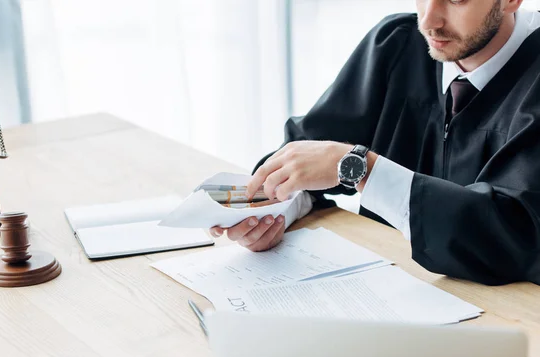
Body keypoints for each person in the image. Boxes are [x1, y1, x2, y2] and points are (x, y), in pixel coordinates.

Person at [210, 0, 540, 286]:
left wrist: (359, 168)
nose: (428, 21)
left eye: (456, 0)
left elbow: (511, 233)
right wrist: (273, 213)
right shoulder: (396, 43)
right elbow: (309, 148)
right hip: (386, 287)